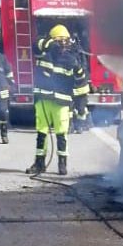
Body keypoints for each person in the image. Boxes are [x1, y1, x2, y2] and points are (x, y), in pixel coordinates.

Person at [25, 24, 87, 175]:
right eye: (59, 41)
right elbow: (36, 44)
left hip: (62, 103)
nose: (62, 44)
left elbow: (81, 83)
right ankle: (39, 163)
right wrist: (51, 44)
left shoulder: (72, 60)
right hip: (44, 99)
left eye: (64, 41)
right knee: (42, 133)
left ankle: (62, 164)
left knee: (61, 135)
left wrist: (80, 107)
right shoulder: (43, 52)